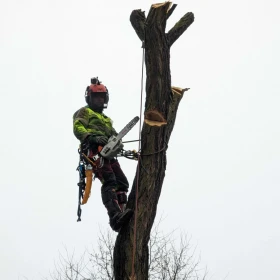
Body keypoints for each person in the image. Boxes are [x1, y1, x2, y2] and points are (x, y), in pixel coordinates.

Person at [73, 77, 133, 231]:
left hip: (109, 152)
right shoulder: (84, 112)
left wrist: (117, 143)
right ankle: (114, 217)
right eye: (96, 97)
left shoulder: (107, 120)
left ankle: (123, 209)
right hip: (93, 150)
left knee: (122, 182)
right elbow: (78, 127)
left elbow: (114, 135)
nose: (99, 100)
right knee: (109, 181)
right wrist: (90, 137)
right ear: (90, 98)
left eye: (102, 97)